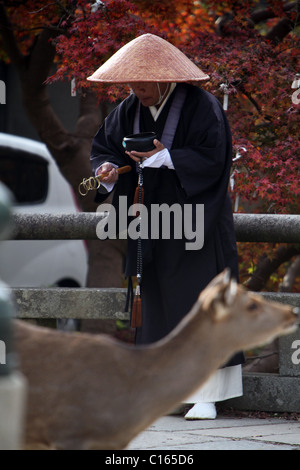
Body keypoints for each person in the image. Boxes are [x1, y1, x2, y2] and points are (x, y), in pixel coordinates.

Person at [88, 33, 244, 419]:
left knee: (200, 301)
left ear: (162, 78)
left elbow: (214, 158)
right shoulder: (127, 109)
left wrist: (170, 158)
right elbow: (104, 150)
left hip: (196, 223)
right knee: (155, 305)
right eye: (132, 85)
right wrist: (106, 173)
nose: (137, 91)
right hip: (151, 223)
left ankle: (207, 393)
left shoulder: (201, 106)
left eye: (143, 85)